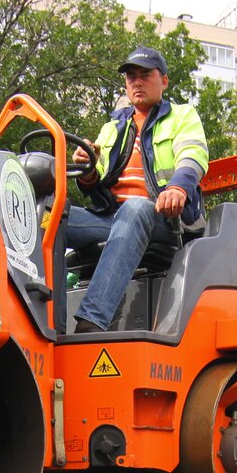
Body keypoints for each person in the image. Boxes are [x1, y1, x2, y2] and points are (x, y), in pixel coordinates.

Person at [66, 46, 209, 333]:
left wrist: (178, 189)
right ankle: (44, 317)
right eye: (131, 77)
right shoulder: (112, 128)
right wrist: (88, 168)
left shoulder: (182, 116)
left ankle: (91, 322)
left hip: (165, 218)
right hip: (114, 220)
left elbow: (192, 156)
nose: (137, 82)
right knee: (49, 214)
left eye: (145, 75)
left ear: (164, 81)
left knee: (135, 208)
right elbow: (96, 184)